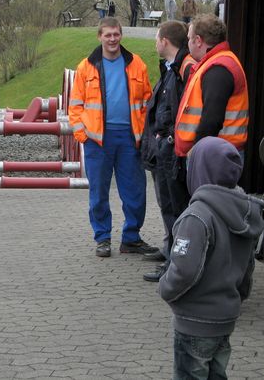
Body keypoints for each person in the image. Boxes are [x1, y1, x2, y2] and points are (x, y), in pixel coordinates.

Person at [159, 136, 264, 380]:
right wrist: (237, 296)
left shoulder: (196, 216)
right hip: (225, 317)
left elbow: (184, 269)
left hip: (194, 319)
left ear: (199, 171)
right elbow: (247, 269)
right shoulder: (243, 214)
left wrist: (165, 288)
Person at [69, 17, 157, 258]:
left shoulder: (136, 64)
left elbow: (148, 101)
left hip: (130, 138)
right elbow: (75, 106)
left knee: (135, 190)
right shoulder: (85, 67)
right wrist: (82, 134)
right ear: (99, 37)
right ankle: (102, 238)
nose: (112, 39)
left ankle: (131, 238)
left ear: (121, 35)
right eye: (107, 35)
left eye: (116, 34)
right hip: (97, 140)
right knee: (98, 192)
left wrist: (145, 134)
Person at [140, 21, 195, 282]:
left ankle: (176, 266)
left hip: (172, 149)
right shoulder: (173, 69)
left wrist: (168, 139)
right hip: (165, 147)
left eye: (156, 38)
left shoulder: (183, 70)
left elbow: (178, 110)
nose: (155, 43)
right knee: (169, 207)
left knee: (175, 208)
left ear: (164, 41)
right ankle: (172, 259)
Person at [175, 14, 249, 161]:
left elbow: (212, 120)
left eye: (189, 39)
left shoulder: (219, 68)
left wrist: (196, 152)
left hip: (214, 157)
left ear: (198, 41)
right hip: (216, 153)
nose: (188, 44)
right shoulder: (217, 62)